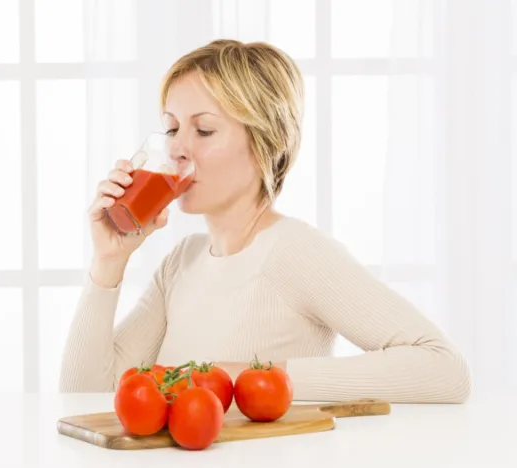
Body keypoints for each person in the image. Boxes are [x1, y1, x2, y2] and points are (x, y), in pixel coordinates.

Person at [59, 39, 471, 403]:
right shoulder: (181, 263)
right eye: (171, 128)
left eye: (203, 130)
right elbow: (85, 399)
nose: (177, 149)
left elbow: (444, 368)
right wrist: (107, 262)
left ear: (263, 145)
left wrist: (247, 377)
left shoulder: (295, 252)